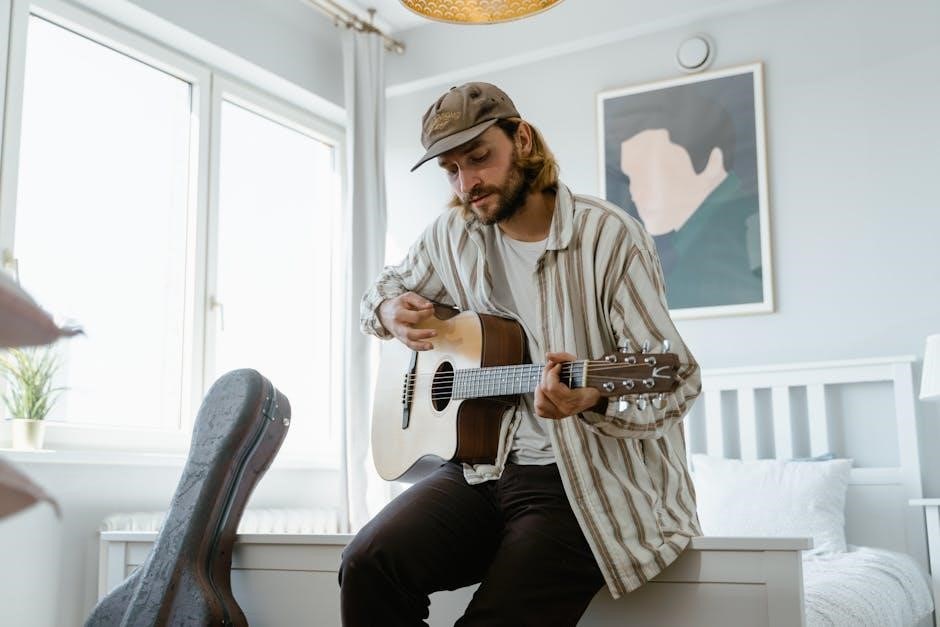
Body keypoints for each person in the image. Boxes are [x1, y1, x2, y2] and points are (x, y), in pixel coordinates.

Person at [340, 82, 702, 626]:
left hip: (583, 479)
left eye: (479, 157)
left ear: (523, 141)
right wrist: (388, 310)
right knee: (368, 564)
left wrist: (593, 399)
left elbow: (678, 380)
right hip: (481, 469)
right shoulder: (452, 234)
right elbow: (383, 290)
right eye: (451, 170)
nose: (467, 183)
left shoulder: (609, 237)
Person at [605, 88, 763, 309]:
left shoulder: (736, 235)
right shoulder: (690, 241)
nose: (635, 192)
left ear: (713, 163)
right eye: (632, 177)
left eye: (652, 173)